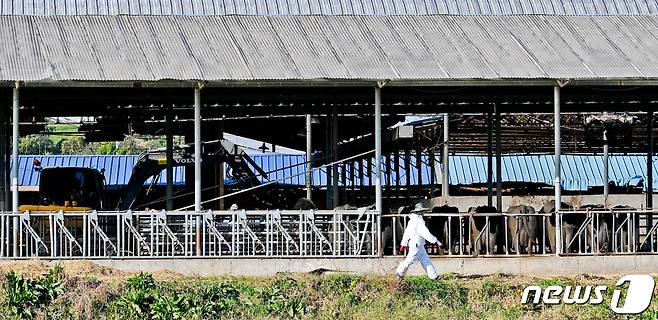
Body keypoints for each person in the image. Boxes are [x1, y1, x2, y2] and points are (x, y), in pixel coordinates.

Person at [396, 202, 442, 280]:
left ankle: (434, 276)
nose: (424, 213)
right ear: (420, 212)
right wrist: (436, 241)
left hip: (418, 244)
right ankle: (399, 273)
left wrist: (404, 243)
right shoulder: (419, 221)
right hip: (416, 244)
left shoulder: (412, 220)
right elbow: (425, 233)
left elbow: (407, 232)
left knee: (426, 260)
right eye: (423, 211)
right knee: (409, 260)